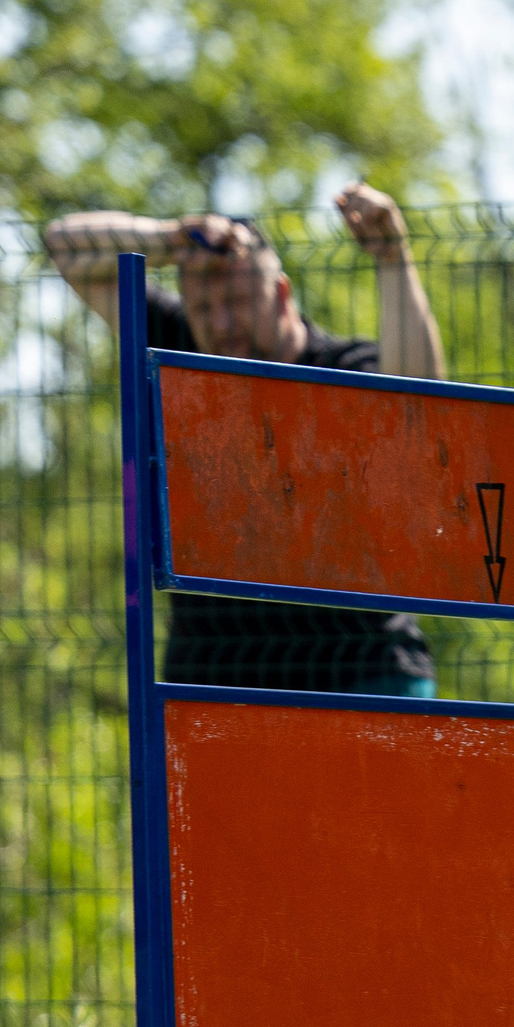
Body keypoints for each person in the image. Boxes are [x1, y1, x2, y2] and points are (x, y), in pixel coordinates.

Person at [44, 194, 445, 695]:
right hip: (214, 677)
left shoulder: (345, 369)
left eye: (237, 303)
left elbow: (423, 405)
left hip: (362, 668)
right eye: (205, 308)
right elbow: (64, 245)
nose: (221, 324)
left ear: (281, 294)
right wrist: (172, 237)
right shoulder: (176, 346)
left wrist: (392, 255)